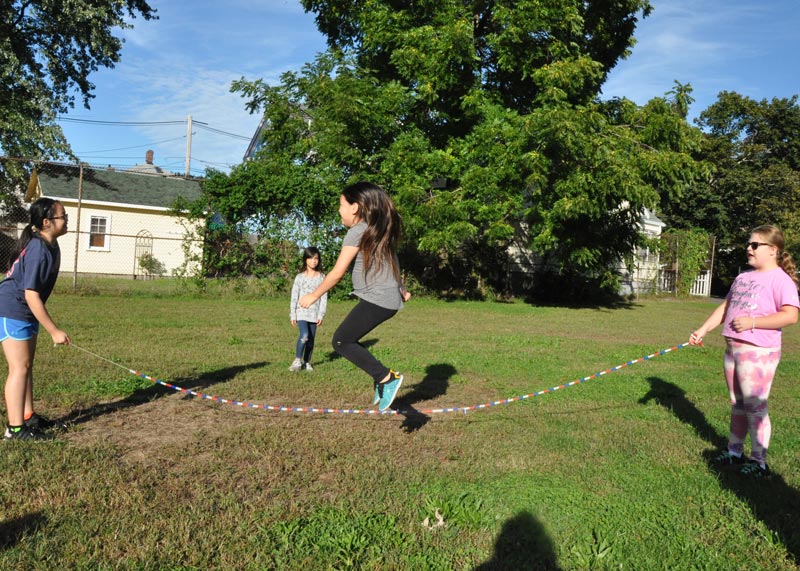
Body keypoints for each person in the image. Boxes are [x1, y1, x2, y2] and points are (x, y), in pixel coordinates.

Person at [690, 225, 799, 477]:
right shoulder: (743, 277)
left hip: (759, 352)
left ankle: (759, 462)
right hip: (733, 350)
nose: (748, 249)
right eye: (748, 244)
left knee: (755, 406)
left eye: (755, 245)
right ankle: (734, 452)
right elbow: (726, 307)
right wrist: (703, 329)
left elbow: (791, 315)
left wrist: (752, 322)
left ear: (773, 250)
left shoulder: (780, 279)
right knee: (737, 404)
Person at [299, 182, 411, 411]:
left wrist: (313, 295)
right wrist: (400, 287)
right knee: (349, 338)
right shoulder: (376, 230)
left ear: (355, 208)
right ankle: (381, 381)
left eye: (341, 205)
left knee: (342, 341)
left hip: (377, 299)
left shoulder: (358, 231)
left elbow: (337, 272)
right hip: (386, 299)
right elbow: (393, 261)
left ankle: (386, 379)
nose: (339, 210)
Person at [1, 197, 71, 441]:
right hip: (13, 309)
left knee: (26, 366)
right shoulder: (39, 249)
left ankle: (28, 416)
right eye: (62, 216)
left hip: (25, 310)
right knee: (19, 368)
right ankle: (15, 429)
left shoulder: (50, 245)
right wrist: (54, 330)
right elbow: (31, 295)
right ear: (46, 222)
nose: (67, 219)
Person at [289, 246, 327, 372]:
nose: (313, 261)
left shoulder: (322, 277)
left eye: (316, 258)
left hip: (314, 314)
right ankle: (297, 360)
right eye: (310, 258)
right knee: (304, 335)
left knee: (311, 340)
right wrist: (293, 314)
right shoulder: (299, 277)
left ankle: (307, 362)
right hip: (301, 313)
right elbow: (294, 296)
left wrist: (321, 314)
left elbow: (323, 297)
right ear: (305, 259)